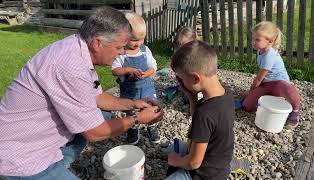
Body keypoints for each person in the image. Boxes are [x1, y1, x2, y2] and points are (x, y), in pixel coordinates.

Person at [0, 6, 163, 180]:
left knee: (103, 114)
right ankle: (54, 167)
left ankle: (61, 163)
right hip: (20, 158)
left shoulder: (78, 48)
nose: (123, 52)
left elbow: (97, 97)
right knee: (98, 122)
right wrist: (138, 119)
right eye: (119, 47)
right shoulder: (70, 66)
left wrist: (132, 104)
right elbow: (93, 132)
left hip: (35, 138)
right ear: (98, 43)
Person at [166, 40, 235, 180]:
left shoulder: (204, 114)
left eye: (182, 79)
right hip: (220, 164)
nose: (181, 83)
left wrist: (175, 162)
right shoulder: (225, 95)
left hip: (205, 175)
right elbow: (204, 126)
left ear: (196, 78)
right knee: (171, 149)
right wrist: (192, 98)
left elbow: (194, 162)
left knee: (173, 159)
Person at [111, 12, 160, 145]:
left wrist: (146, 73)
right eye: (133, 40)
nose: (138, 43)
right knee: (131, 111)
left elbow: (153, 66)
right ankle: (133, 128)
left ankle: (152, 125)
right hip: (129, 91)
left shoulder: (145, 50)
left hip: (146, 87)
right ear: (125, 36)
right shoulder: (121, 53)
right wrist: (128, 70)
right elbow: (115, 70)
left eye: (141, 39)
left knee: (152, 106)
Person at [241, 21, 300, 129]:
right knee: (246, 106)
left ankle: (295, 111)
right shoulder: (260, 51)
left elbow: (259, 78)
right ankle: (272, 98)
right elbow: (262, 79)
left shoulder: (269, 55)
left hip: (279, 83)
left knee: (290, 91)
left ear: (270, 41)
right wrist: (252, 94)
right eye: (253, 39)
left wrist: (251, 91)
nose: (253, 42)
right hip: (267, 84)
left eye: (257, 40)